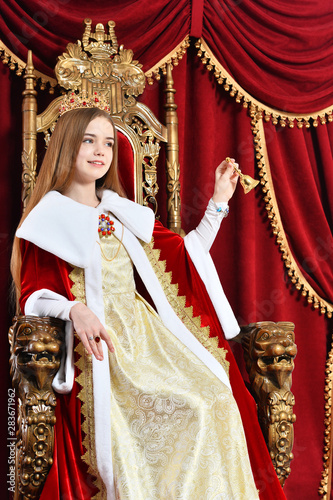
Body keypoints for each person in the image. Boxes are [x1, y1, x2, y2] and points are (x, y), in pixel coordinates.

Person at [11, 102, 286, 500]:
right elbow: (32, 294)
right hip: (103, 348)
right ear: (66, 145)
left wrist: (219, 201)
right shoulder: (48, 217)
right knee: (188, 411)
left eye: (108, 142)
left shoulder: (120, 211)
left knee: (216, 397)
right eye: (88, 140)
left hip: (147, 339)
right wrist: (75, 309)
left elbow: (186, 258)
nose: (100, 151)